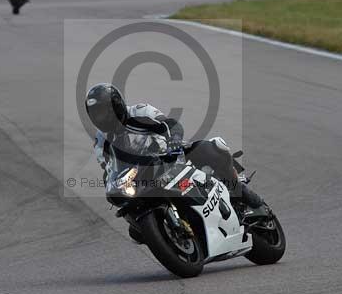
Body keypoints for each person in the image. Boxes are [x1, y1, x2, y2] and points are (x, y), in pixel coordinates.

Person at [85, 83, 264, 209]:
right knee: (134, 228)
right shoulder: (101, 143)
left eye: (102, 112)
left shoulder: (140, 111)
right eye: (95, 114)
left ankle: (238, 189)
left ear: (115, 106)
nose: (100, 118)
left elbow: (172, 125)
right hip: (144, 177)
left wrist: (174, 141)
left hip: (172, 155)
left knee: (212, 148)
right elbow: (108, 171)